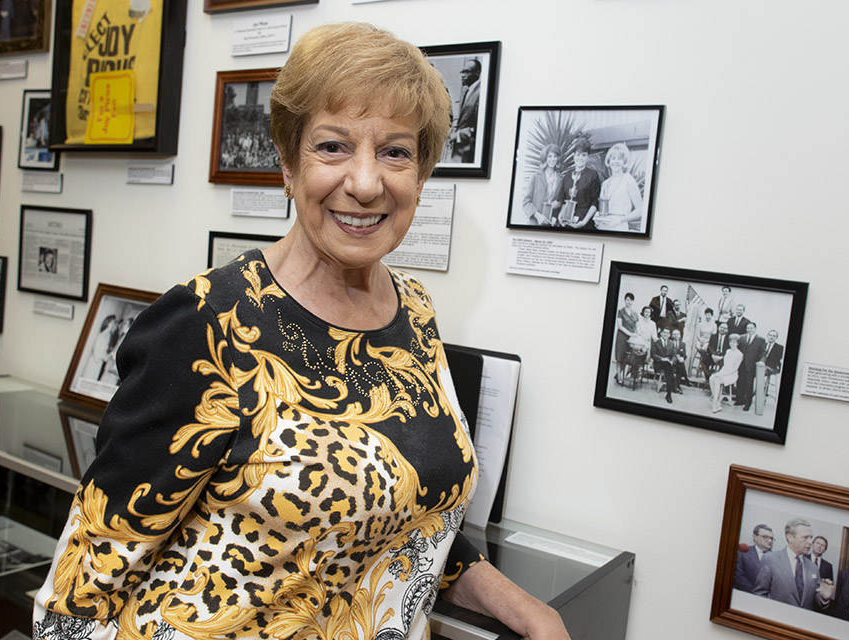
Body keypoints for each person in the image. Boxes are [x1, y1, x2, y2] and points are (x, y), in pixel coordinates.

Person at [32, 23, 570, 640]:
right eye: (333, 147)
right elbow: (77, 594)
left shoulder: (414, 311)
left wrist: (524, 607)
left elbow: (408, 516)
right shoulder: (207, 323)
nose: (366, 183)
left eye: (395, 152)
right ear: (288, 164)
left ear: (421, 176)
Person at [752, 518, 833, 610]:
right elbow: (759, 594)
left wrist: (824, 598)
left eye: (811, 537)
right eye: (805, 537)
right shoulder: (770, 559)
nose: (810, 542)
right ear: (790, 537)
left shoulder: (813, 567)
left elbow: (816, 601)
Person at [595, 142, 643, 231]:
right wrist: (598, 217)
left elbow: (640, 210)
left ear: (624, 162)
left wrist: (620, 220)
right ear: (609, 161)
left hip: (619, 228)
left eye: (620, 158)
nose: (616, 161)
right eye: (613, 158)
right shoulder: (605, 183)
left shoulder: (629, 180)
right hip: (603, 228)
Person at [558, 136, 601, 229]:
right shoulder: (567, 176)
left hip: (585, 224)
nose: (580, 158)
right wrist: (561, 215)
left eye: (584, 155)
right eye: (578, 154)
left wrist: (584, 222)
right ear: (574, 155)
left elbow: (595, 203)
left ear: (588, 157)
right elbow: (564, 200)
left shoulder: (593, 175)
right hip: (567, 224)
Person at [447, 58, 480, 163]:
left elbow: (479, 128)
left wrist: (458, 135)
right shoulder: (468, 90)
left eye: (467, 71)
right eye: (462, 71)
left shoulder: (480, 93)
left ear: (477, 73)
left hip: (467, 153)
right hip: (458, 150)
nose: (462, 75)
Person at [521, 143, 563, 226]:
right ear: (545, 158)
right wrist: (537, 216)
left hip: (551, 223)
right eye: (549, 156)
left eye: (555, 156)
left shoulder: (560, 179)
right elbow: (526, 202)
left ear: (558, 158)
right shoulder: (536, 176)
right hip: (535, 223)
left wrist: (558, 204)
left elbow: (561, 200)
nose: (552, 159)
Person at [734, 524, 774, 592]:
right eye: (765, 537)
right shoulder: (744, 553)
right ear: (755, 537)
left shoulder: (776, 558)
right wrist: (754, 593)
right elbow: (739, 576)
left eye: (771, 538)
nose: (770, 541)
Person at [737, 322, 766, 411]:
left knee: (749, 385)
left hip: (751, 365)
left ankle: (747, 403)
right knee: (740, 382)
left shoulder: (761, 339)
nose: (749, 329)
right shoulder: (741, 338)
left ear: (755, 328)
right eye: (748, 328)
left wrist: (761, 361)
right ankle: (740, 400)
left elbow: (763, 353)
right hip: (741, 364)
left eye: (751, 328)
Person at [709, 334, 743, 413]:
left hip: (732, 375)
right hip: (724, 371)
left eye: (734, 342)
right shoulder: (728, 351)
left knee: (717, 380)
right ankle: (717, 401)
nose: (732, 344)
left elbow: (735, 369)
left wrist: (722, 375)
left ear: (737, 343)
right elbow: (724, 365)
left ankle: (715, 404)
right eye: (731, 342)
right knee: (711, 378)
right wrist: (720, 373)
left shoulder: (740, 354)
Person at [614, 293, 638, 385]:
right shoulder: (620, 311)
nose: (629, 302)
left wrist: (636, 335)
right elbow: (620, 326)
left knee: (627, 358)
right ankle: (620, 378)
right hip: (622, 337)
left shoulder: (634, 313)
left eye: (631, 300)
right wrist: (630, 333)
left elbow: (636, 326)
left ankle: (621, 374)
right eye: (627, 299)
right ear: (625, 300)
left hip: (631, 339)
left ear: (633, 301)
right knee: (619, 358)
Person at [652, 327, 679, 403]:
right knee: (670, 372)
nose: (666, 334)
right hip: (658, 363)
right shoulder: (656, 342)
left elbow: (674, 355)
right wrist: (662, 359)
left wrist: (672, 361)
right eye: (665, 332)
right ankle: (671, 390)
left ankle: (669, 394)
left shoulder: (671, 343)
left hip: (668, 364)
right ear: (661, 333)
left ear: (669, 335)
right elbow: (653, 355)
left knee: (670, 371)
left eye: (668, 333)